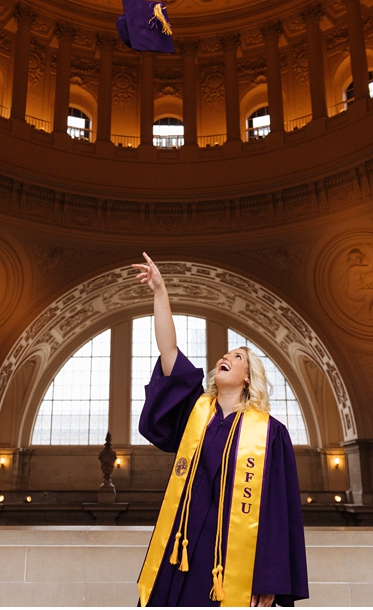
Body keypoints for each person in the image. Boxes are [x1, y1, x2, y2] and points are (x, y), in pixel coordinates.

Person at [131, 253, 309, 607]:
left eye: (238, 356)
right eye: (225, 354)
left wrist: (268, 578)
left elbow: (277, 512)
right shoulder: (196, 413)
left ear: (248, 378)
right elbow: (169, 351)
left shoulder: (269, 434)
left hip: (230, 555)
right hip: (180, 547)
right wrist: (160, 292)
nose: (225, 357)